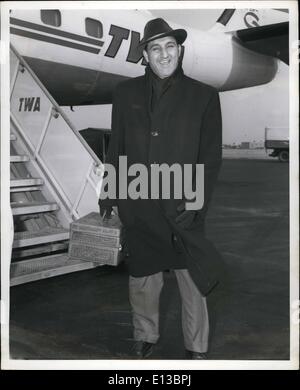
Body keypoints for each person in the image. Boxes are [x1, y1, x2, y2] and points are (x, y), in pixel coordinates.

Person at [99, 18, 223, 359]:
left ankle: (196, 345)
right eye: (156, 48)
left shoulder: (205, 96)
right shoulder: (125, 94)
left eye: (170, 47)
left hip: (184, 203)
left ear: (180, 51)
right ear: (146, 56)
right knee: (143, 276)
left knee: (192, 278)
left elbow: (209, 157)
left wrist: (196, 203)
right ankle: (145, 335)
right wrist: (109, 194)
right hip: (138, 201)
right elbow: (117, 148)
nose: (164, 54)